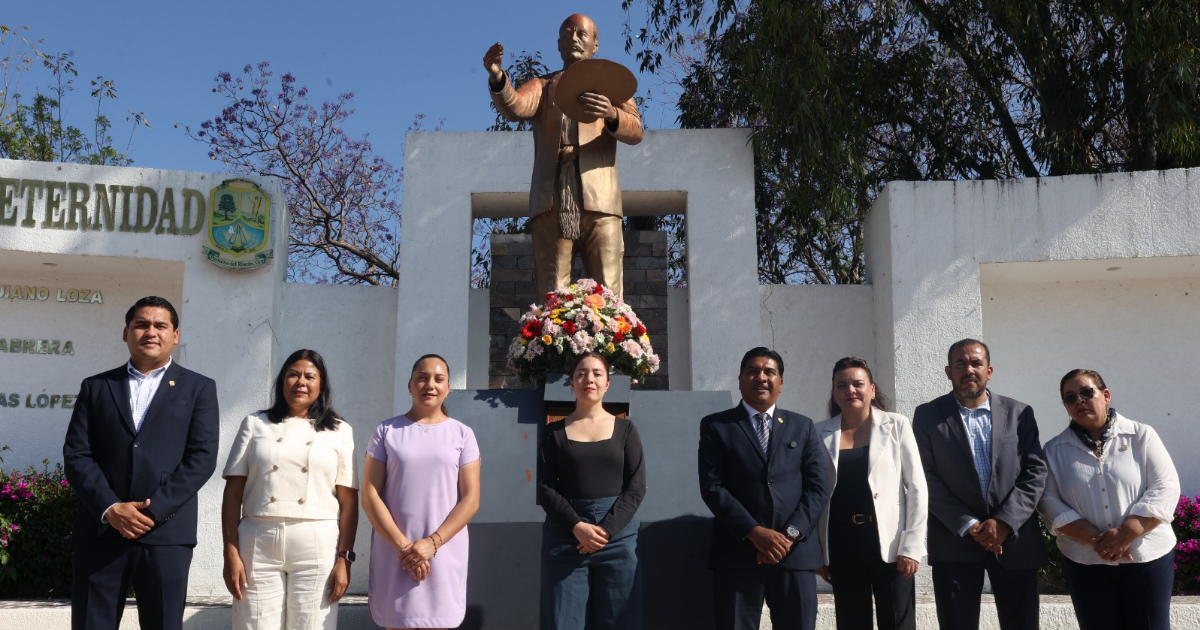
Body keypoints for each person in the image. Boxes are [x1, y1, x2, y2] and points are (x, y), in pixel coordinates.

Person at [62, 296, 219, 630]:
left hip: (165, 534)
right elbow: (77, 455)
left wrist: (150, 512)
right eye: (141, 324)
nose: (151, 331)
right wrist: (110, 508)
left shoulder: (199, 388)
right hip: (101, 531)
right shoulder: (97, 387)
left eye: (160, 325)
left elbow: (201, 459)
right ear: (126, 333)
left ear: (175, 335)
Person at [484, 13, 644, 299]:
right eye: (566, 34)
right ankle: (549, 343)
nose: (573, 38)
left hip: (601, 199)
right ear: (558, 43)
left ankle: (615, 344)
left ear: (595, 44)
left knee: (609, 290)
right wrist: (498, 77)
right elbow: (515, 107)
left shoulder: (610, 84)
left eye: (582, 34)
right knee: (552, 290)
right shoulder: (544, 85)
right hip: (552, 198)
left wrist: (611, 112)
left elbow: (635, 131)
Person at [912, 339, 1047, 630]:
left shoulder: (1019, 413)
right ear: (948, 371)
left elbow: (1035, 471)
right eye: (961, 364)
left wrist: (1004, 522)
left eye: (976, 363)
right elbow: (923, 476)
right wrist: (969, 523)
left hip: (1014, 542)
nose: (969, 369)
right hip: (955, 541)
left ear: (990, 370)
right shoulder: (927, 416)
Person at [220, 349, 359, 629]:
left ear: (322, 385)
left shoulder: (340, 431)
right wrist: (230, 552)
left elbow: (349, 501)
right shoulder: (255, 423)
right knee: (253, 625)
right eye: (293, 374)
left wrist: (345, 559)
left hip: (317, 541)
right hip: (258, 539)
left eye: (310, 376)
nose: (301, 382)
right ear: (282, 381)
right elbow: (233, 494)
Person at [698, 347, 833, 630]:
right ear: (740, 379)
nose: (761, 377)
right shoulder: (717, 426)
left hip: (794, 555)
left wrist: (789, 535)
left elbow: (818, 486)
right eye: (753, 371)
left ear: (780, 383)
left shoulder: (802, 426)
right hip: (737, 553)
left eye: (769, 372)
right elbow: (713, 487)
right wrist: (755, 533)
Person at [1038, 369, 1180, 630]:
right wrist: (1098, 540)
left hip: (1145, 555)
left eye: (1086, 392)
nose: (1079, 400)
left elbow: (1166, 486)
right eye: (1070, 398)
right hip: (1085, 560)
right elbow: (1048, 501)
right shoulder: (1054, 450)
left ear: (1105, 395)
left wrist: (1127, 532)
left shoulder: (1141, 435)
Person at [362, 354, 481, 629]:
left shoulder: (463, 435)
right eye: (422, 378)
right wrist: (405, 548)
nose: (430, 384)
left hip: (443, 551)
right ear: (409, 385)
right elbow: (370, 495)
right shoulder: (386, 431)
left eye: (439, 379)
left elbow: (471, 499)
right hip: (395, 552)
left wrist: (432, 543)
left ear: (448, 387)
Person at [815, 357, 927, 630]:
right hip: (842, 546)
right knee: (851, 623)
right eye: (842, 385)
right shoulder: (819, 433)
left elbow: (917, 487)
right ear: (834, 392)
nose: (850, 390)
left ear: (872, 389)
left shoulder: (896, 425)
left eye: (858, 384)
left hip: (890, 545)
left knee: (898, 623)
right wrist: (819, 554)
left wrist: (912, 547)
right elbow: (814, 494)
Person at [537, 351, 647, 629]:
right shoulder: (554, 432)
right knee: (564, 621)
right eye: (581, 373)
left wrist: (606, 530)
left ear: (607, 383)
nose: (589, 379)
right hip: (566, 538)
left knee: (621, 620)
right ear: (572, 383)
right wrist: (577, 526)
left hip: (619, 539)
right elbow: (545, 487)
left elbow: (635, 487)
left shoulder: (627, 430)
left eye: (597, 373)